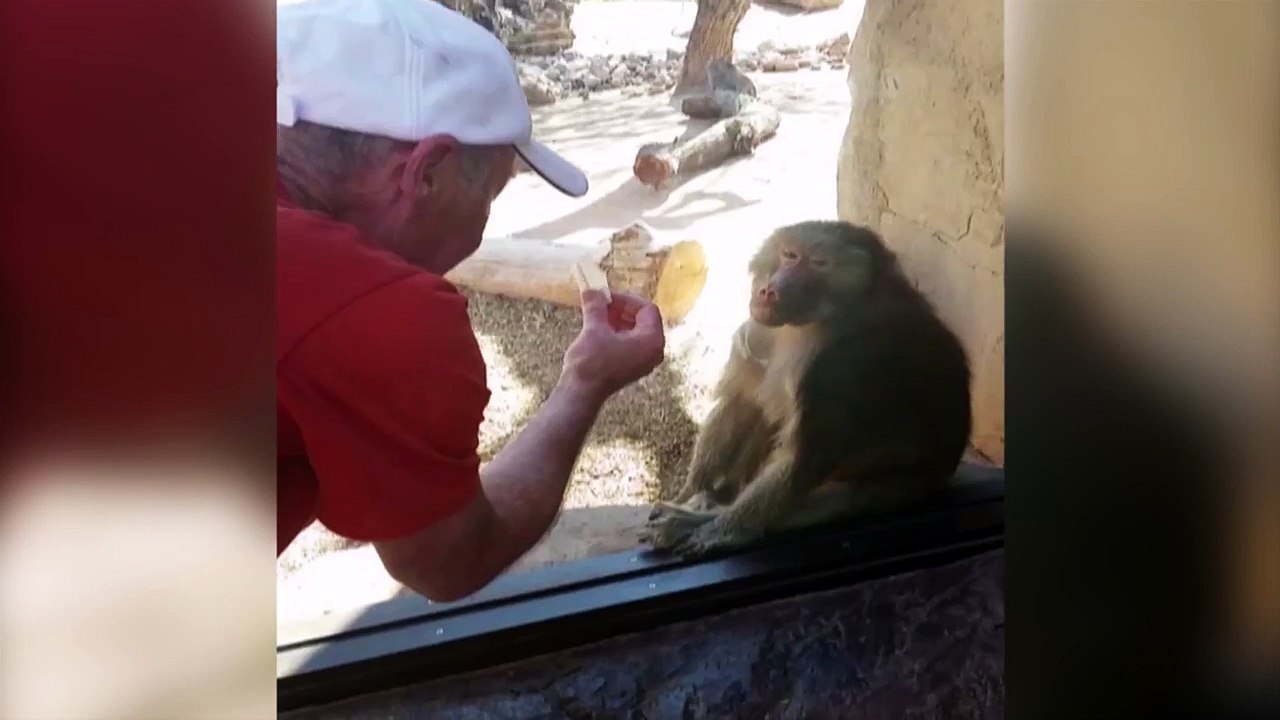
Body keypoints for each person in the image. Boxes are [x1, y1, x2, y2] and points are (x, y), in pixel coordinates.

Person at [275, 0, 666, 602]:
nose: (485, 223)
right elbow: (451, 558)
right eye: (491, 192)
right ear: (426, 171)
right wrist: (586, 382)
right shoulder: (376, 314)